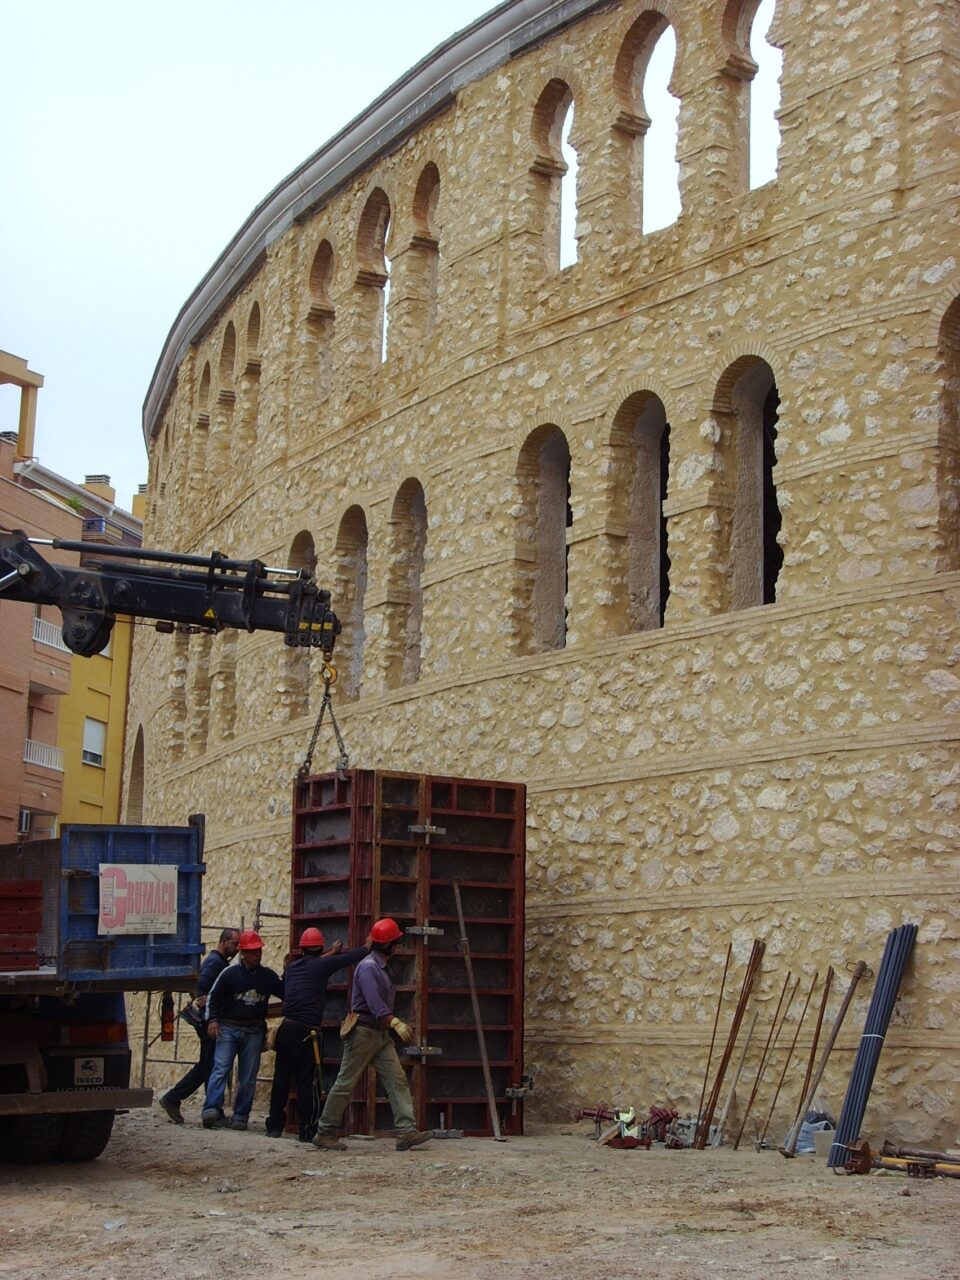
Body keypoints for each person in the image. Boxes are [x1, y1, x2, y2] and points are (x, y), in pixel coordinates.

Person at [312, 917, 432, 1153]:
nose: (397, 946)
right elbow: (374, 1001)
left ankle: (406, 1131)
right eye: (395, 942)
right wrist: (394, 1021)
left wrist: (389, 1024)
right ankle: (325, 1132)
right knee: (345, 1083)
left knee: (396, 1080)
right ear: (388, 945)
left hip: (377, 1033)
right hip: (364, 1033)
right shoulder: (369, 967)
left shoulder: (377, 967)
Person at [264, 925, 372, 1142]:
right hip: (308, 1033)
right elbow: (350, 958)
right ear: (320, 947)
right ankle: (308, 1131)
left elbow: (314, 962)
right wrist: (368, 944)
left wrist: (331, 952)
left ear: (302, 949)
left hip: (286, 1029)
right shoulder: (323, 966)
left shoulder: (292, 968)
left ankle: (274, 1126)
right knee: (307, 1081)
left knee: (281, 1079)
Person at [201, 928, 283, 1131]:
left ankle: (240, 1115)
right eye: (253, 951)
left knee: (248, 1076)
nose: (258, 954)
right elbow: (213, 997)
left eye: (259, 951)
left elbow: (286, 992)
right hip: (228, 1028)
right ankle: (211, 1109)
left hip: (254, 1031)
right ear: (244, 953)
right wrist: (212, 1021)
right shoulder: (229, 974)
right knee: (221, 1069)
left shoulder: (268, 977)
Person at [158, 926, 240, 1124]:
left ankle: (210, 1110)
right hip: (209, 1020)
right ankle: (174, 1098)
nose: (237, 948)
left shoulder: (219, 962)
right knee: (208, 1065)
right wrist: (206, 998)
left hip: (209, 1018)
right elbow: (202, 986)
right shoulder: (215, 963)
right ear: (223, 941)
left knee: (209, 1065)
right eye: (234, 943)